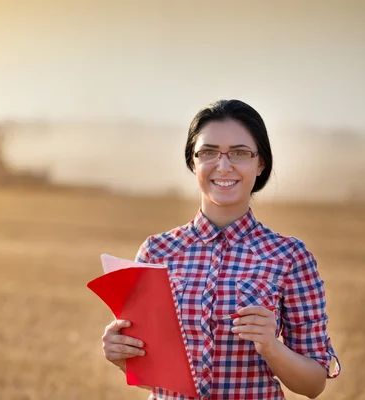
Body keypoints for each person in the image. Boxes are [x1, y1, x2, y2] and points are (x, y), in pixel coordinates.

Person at [102, 99, 341, 399]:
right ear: (193, 161)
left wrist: (271, 347)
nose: (223, 166)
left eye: (240, 153)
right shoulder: (156, 252)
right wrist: (121, 355)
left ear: (260, 162)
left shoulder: (290, 257)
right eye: (209, 152)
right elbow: (157, 379)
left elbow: (314, 383)